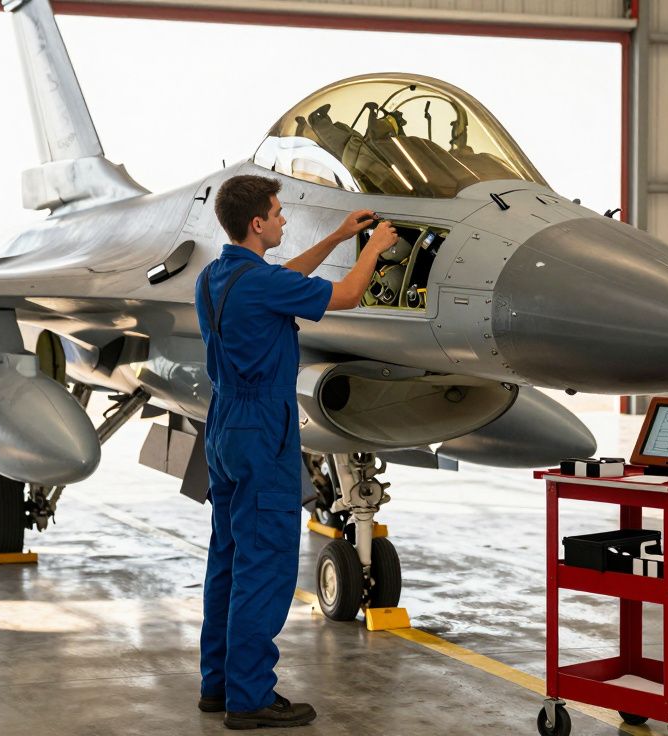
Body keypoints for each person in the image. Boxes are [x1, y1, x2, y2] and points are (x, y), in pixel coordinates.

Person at [195, 175, 397, 729]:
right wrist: (375, 251)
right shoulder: (259, 284)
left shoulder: (217, 277)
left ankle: (218, 685)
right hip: (264, 429)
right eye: (278, 214)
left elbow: (281, 280)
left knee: (229, 560)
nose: (284, 220)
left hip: (224, 426)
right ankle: (251, 698)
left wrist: (335, 239)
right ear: (257, 224)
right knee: (265, 565)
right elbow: (348, 295)